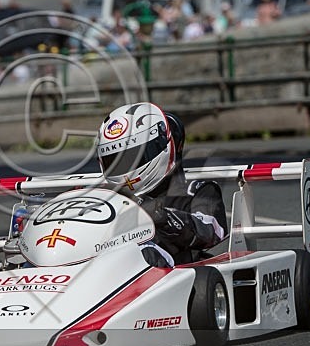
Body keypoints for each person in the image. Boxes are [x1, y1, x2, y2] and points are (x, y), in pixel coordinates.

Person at [96, 102, 228, 266]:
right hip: (106, 269)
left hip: (170, 272)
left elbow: (211, 231)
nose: (126, 168)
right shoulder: (105, 197)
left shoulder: (197, 192)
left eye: (132, 158)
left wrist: (162, 215)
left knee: (142, 252)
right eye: (115, 161)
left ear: (162, 145)